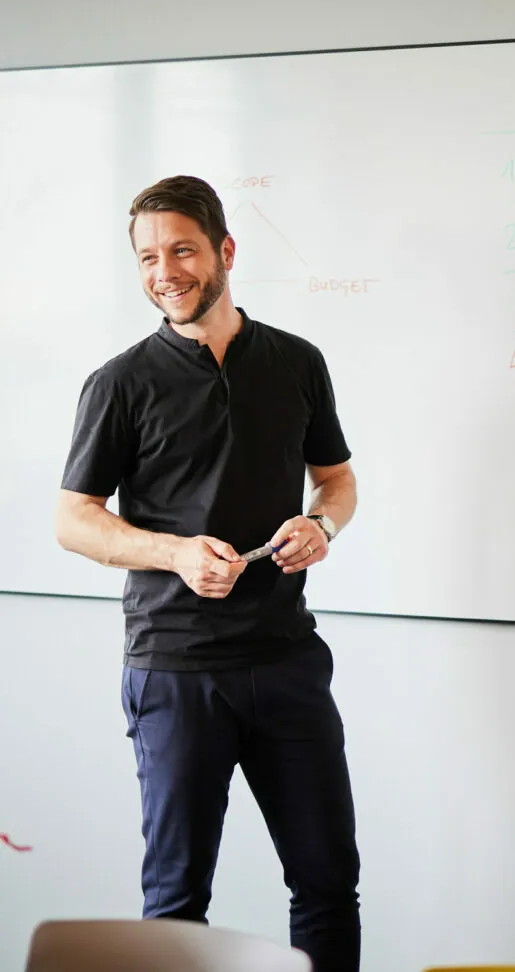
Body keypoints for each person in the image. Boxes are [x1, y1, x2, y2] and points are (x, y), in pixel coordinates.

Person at [55, 175, 360, 972]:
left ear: (225, 251)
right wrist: (175, 551)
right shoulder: (120, 383)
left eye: (183, 250)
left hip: (288, 658)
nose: (166, 272)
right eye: (149, 257)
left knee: (329, 886)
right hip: (176, 669)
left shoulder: (298, 361)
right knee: (178, 902)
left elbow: (337, 480)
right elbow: (73, 519)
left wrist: (321, 523)